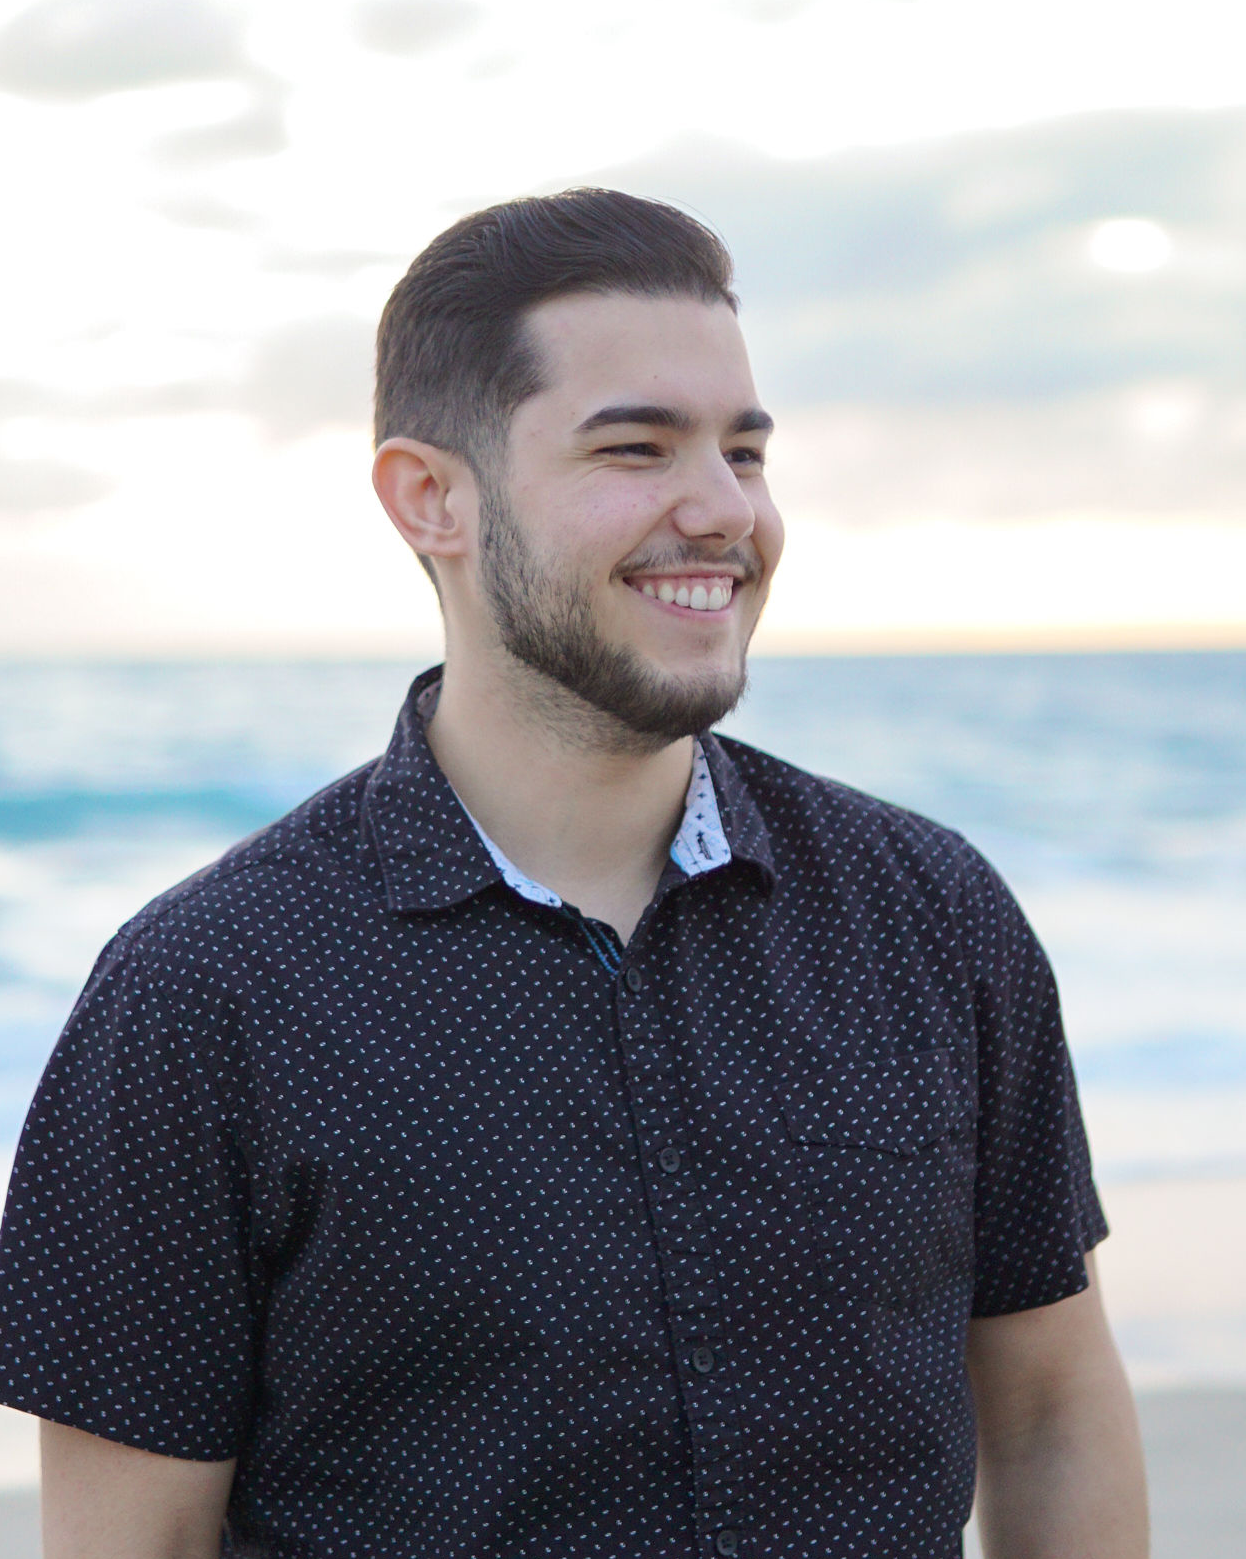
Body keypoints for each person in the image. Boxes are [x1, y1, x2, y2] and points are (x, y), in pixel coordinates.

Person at [0, 189, 1147, 1559]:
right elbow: (135, 1540)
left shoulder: (927, 914)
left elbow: (1049, 1409)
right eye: (635, 447)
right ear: (430, 498)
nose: (720, 511)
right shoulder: (206, 995)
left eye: (743, 450)